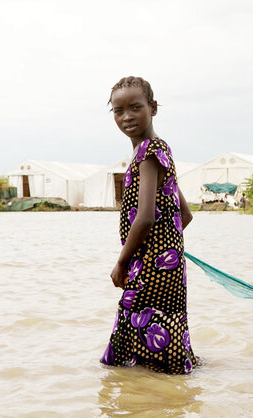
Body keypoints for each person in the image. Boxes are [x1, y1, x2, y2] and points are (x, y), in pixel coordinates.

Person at [100, 76, 198, 374]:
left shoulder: (146, 153)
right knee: (160, 332)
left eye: (135, 107)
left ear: (152, 108)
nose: (127, 116)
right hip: (166, 266)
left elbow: (145, 218)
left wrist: (122, 262)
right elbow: (186, 214)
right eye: (118, 110)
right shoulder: (160, 150)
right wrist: (168, 249)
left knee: (129, 341)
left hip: (150, 268)